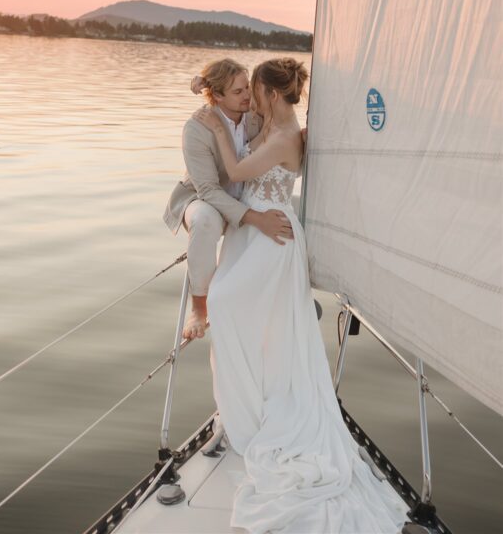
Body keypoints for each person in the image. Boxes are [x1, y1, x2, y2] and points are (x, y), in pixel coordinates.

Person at [195, 57, 409, 534]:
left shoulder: (285, 138)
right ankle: (250, 400)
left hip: (272, 238)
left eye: (255, 90)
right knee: (251, 319)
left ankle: (252, 409)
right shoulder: (274, 125)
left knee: (226, 304)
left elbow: (234, 167)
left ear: (271, 93)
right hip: (255, 233)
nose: (251, 98)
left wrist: (212, 123)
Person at [163, 58, 295, 341]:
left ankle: (279, 303)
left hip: (245, 196)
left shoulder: (254, 116)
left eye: (247, 87)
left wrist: (301, 137)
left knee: (286, 221)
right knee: (205, 220)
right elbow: (209, 190)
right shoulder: (196, 128)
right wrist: (255, 218)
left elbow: (279, 102)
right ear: (218, 96)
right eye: (238, 92)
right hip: (202, 197)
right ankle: (199, 307)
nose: (247, 95)